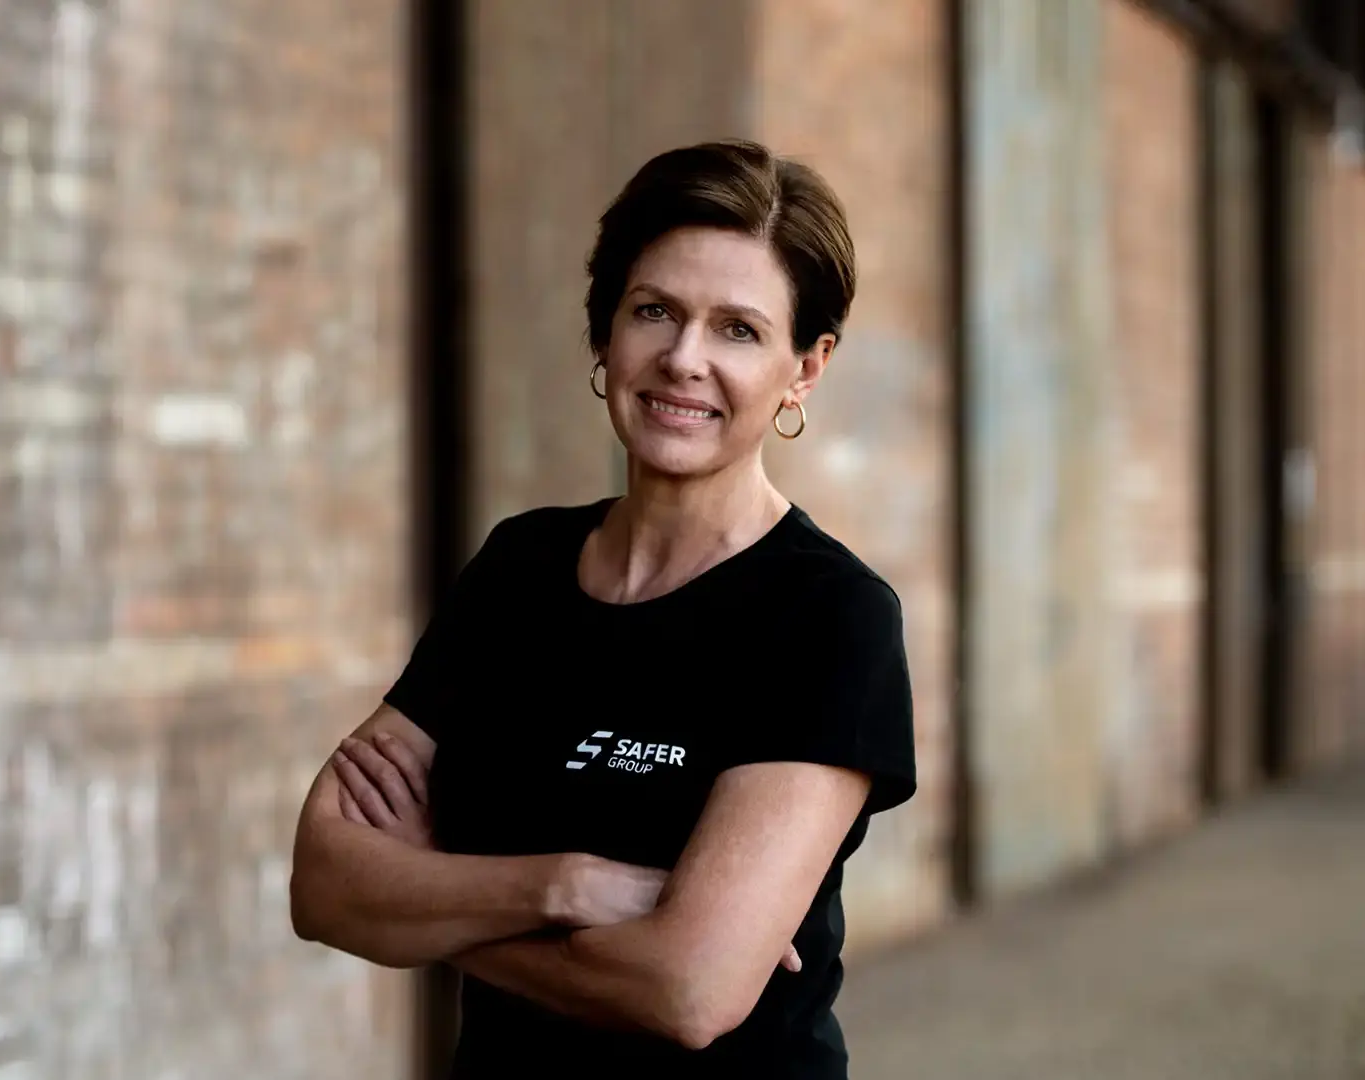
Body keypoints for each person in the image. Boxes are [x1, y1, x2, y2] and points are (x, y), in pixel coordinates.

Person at [289, 139, 916, 1079]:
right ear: (603, 333)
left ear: (806, 369)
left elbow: (689, 992)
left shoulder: (828, 618)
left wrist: (431, 910)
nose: (683, 360)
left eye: (738, 329)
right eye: (653, 311)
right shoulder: (519, 568)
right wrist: (566, 887)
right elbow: (325, 886)